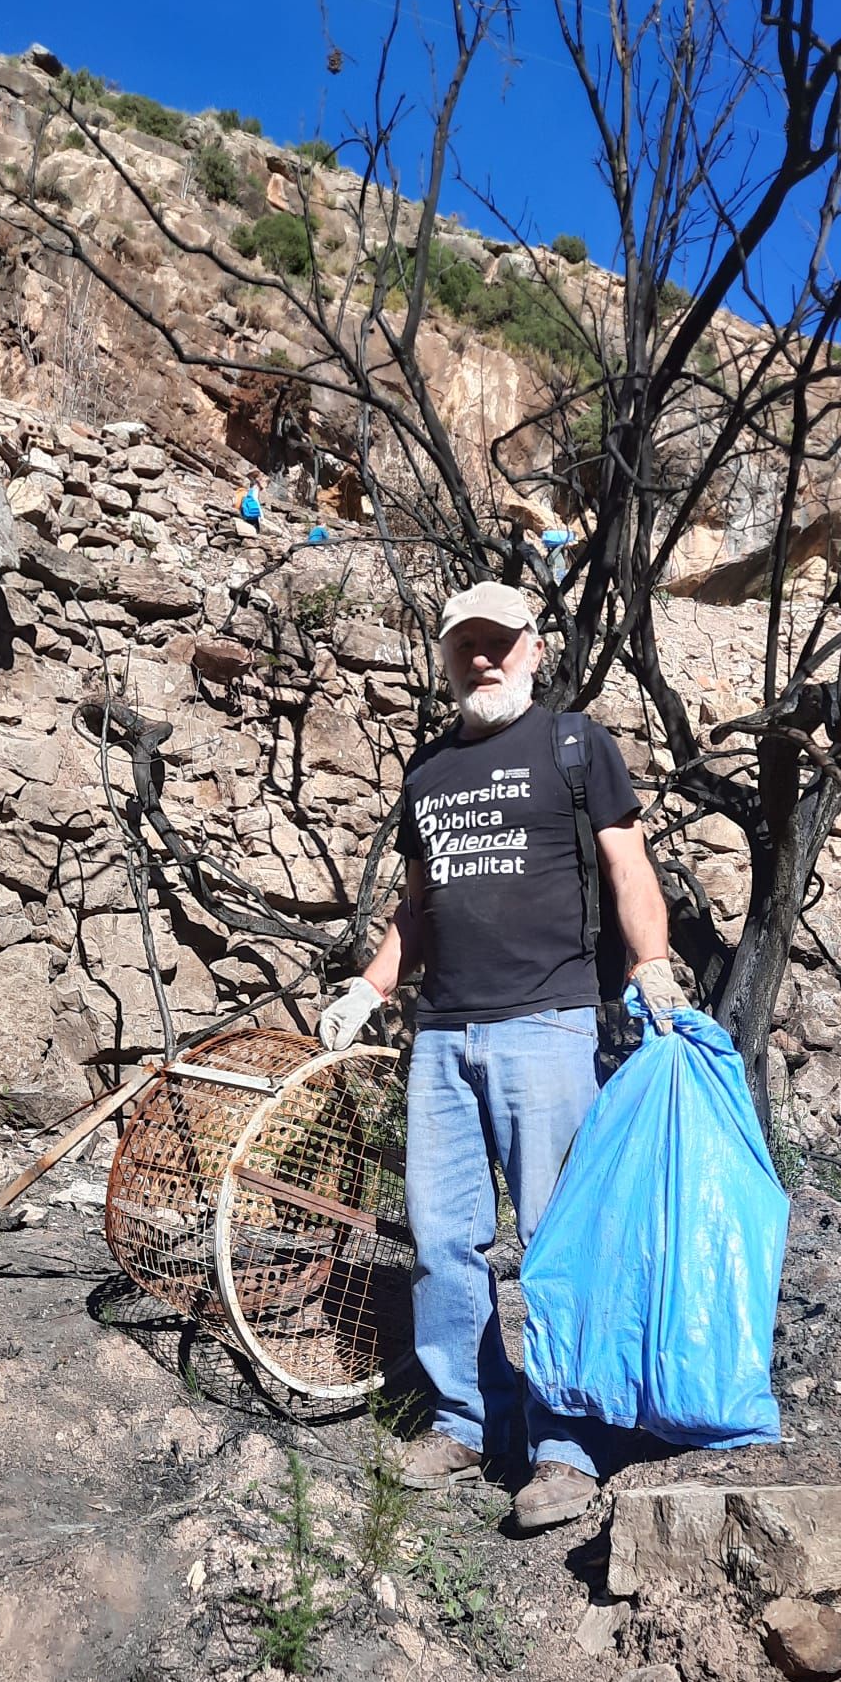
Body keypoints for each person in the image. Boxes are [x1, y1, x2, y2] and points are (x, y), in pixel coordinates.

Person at [317, 581, 687, 1530]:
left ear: (533, 646)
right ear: (446, 659)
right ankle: (465, 1416)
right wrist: (371, 988)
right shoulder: (428, 770)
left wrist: (652, 964)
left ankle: (570, 1443)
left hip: (547, 1024)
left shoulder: (575, 746)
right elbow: (417, 902)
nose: (481, 660)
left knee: (558, 1239)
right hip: (440, 1031)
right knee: (443, 1235)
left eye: (497, 644)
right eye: (463, 647)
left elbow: (627, 862)